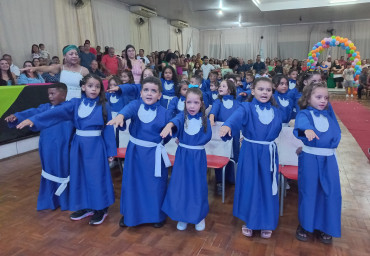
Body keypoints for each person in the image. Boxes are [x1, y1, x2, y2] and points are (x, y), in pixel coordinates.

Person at [16, 74, 116, 225]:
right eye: (90, 86)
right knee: (79, 175)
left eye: (97, 86)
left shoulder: (104, 106)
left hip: (95, 146)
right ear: (83, 87)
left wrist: (111, 152)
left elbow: (108, 130)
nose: (93, 89)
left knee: (96, 176)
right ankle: (86, 206)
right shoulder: (75, 103)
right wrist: (34, 119)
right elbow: (55, 112)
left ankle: (101, 208)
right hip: (78, 146)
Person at [219, 77, 282, 239]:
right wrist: (227, 125)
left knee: (267, 186)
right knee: (250, 185)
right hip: (250, 153)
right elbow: (236, 117)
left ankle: (266, 222)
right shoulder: (246, 107)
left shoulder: (276, 111)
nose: (265, 92)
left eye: (268, 90)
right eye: (261, 89)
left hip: (268, 153)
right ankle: (249, 220)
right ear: (253, 91)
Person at [107, 76, 171, 228]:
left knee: (155, 185)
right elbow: (126, 111)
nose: (149, 94)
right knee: (133, 183)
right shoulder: (135, 105)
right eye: (146, 90)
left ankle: (156, 215)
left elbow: (170, 129)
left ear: (159, 95)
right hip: (135, 153)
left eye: (154, 91)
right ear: (141, 92)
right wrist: (120, 116)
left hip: (154, 155)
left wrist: (170, 131)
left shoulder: (165, 112)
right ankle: (130, 213)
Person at [5, 83, 74, 211]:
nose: (50, 96)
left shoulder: (69, 108)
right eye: (48, 94)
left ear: (63, 95)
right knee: (49, 171)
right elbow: (32, 112)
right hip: (47, 147)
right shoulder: (45, 108)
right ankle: (50, 199)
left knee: (64, 170)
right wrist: (16, 117)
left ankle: (66, 199)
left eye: (53, 93)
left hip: (64, 147)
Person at [294, 82, 341, 244]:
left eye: (326, 98)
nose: (323, 101)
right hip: (310, 160)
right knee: (309, 192)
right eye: (318, 97)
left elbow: (336, 132)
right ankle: (306, 225)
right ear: (307, 98)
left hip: (329, 160)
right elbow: (301, 123)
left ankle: (326, 226)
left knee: (330, 193)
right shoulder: (305, 114)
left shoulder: (328, 114)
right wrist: (306, 129)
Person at [160, 87, 212, 231]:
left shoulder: (204, 120)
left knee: (197, 186)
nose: (192, 106)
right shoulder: (182, 117)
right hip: (182, 156)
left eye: (196, 103)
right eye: (189, 102)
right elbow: (175, 121)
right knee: (181, 185)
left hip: (197, 157)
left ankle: (198, 216)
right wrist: (170, 125)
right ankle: (182, 215)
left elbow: (205, 137)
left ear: (201, 104)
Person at [20, 45, 89, 100]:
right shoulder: (61, 67)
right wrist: (34, 68)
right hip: (63, 101)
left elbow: (88, 88)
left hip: (78, 101)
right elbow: (48, 68)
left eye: (76, 54)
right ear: (65, 56)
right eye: (71, 54)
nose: (74, 56)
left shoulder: (84, 70)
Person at [209, 79, 240, 195]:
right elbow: (213, 112)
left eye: (223, 86)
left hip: (234, 134)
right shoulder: (218, 101)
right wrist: (211, 119)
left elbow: (239, 117)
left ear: (230, 90)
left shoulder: (237, 103)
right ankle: (219, 181)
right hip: (221, 134)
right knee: (220, 154)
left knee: (234, 155)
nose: (220, 88)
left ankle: (232, 178)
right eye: (220, 86)